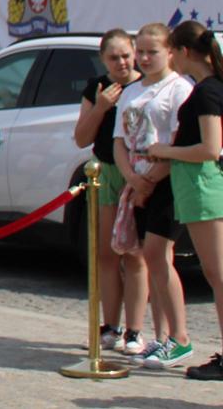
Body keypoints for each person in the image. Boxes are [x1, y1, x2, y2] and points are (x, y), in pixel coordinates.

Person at [144, 21, 223, 380]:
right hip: (198, 186)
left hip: (205, 186)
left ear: (184, 52)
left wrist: (165, 150)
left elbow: (209, 147)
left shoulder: (207, 92)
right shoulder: (208, 88)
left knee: (218, 275)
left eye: (171, 50)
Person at [115, 22, 194, 367]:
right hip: (137, 179)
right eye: (141, 52)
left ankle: (180, 337)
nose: (145, 58)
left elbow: (180, 142)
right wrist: (132, 178)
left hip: (167, 181)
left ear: (171, 53)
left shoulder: (179, 90)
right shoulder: (131, 91)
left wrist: (149, 179)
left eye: (153, 52)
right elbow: (119, 141)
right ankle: (161, 336)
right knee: (149, 257)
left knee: (159, 254)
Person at [75, 29, 142, 353]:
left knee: (135, 254)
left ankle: (135, 329)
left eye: (126, 55)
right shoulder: (97, 87)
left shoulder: (145, 85)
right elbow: (81, 137)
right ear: (103, 59)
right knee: (106, 252)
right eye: (114, 57)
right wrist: (100, 107)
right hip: (104, 172)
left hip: (139, 172)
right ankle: (111, 324)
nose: (122, 62)